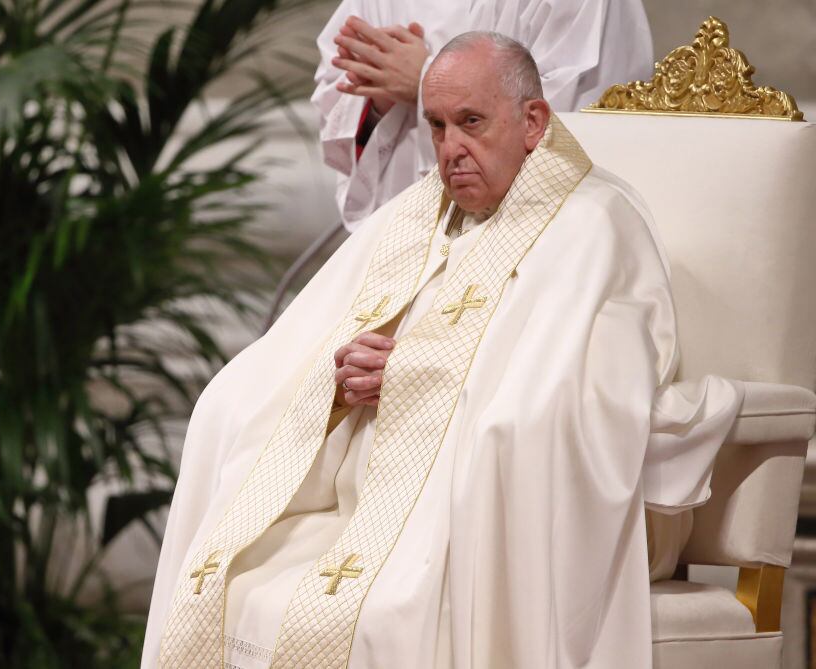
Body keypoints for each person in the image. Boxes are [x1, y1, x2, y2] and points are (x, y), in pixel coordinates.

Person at [143, 32, 741, 668]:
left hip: (489, 500)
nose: (451, 149)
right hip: (375, 489)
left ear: (533, 121)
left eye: (472, 123)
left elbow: (578, 386)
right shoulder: (421, 212)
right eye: (437, 126)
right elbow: (310, 338)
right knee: (220, 562)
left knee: (386, 614)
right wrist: (340, 379)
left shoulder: (593, 223)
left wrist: (415, 375)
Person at [313, 0, 655, 229]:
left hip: (522, 236)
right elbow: (334, 86)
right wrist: (378, 100)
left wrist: (425, 81)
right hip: (402, 227)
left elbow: (571, 113)